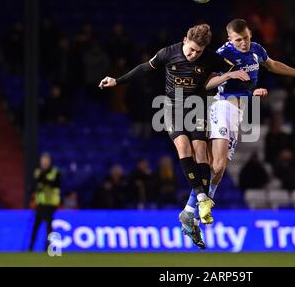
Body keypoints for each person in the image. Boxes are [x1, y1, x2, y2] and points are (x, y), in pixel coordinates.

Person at [99, 23, 249, 248]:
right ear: (184, 40)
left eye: (198, 52)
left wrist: (237, 76)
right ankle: (201, 197)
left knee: (202, 153)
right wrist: (117, 80)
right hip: (172, 108)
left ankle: (199, 202)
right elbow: (143, 68)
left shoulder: (210, 59)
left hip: (198, 107)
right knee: (183, 147)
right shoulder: (168, 53)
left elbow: (235, 67)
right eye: (190, 50)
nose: (193, 55)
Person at [182, 19, 295, 245]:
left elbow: (274, 64)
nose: (244, 43)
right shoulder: (222, 54)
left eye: (246, 37)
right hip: (222, 107)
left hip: (238, 112)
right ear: (230, 39)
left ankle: (191, 212)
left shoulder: (257, 49)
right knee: (216, 165)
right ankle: (193, 213)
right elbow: (206, 83)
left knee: (217, 169)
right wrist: (229, 76)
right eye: (239, 40)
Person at [28, 152, 61, 252]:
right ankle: (31, 246)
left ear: (49, 161)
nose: (44, 163)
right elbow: (34, 185)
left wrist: (43, 180)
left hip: (51, 204)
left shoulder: (55, 172)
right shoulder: (37, 172)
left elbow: (55, 184)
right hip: (40, 203)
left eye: (46, 161)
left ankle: (48, 246)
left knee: (49, 226)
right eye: (43, 161)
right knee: (36, 225)